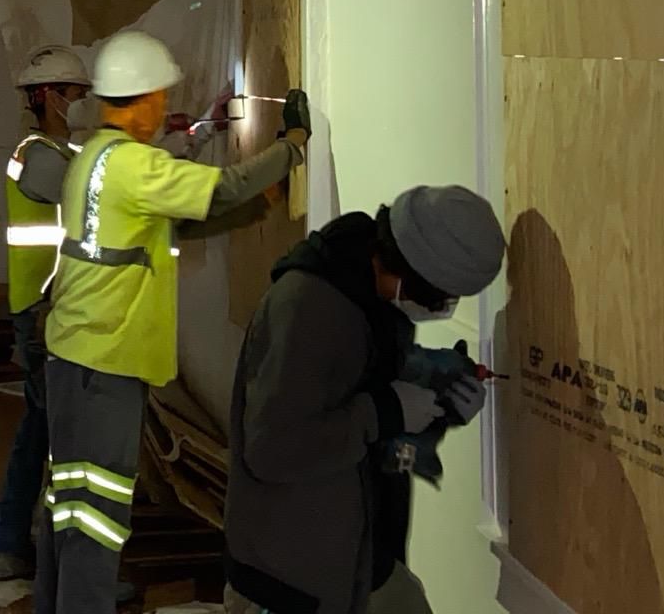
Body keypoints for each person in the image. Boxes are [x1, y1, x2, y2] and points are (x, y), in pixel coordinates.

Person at [35, 30, 311, 614]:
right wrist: (292, 144)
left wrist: (258, 208)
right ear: (138, 99)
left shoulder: (97, 158)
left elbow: (172, 228)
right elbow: (225, 185)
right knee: (97, 516)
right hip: (101, 364)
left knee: (72, 509)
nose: (164, 107)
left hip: (79, 360)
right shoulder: (131, 165)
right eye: (159, 96)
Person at [223, 185, 507, 614]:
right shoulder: (306, 309)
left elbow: (371, 418)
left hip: (360, 553)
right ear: (405, 269)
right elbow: (273, 449)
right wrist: (385, 412)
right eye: (437, 299)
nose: (441, 310)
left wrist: (439, 412)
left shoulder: (376, 303)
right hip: (292, 576)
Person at [0, 45, 92, 582]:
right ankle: (57, 564)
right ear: (47, 96)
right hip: (44, 314)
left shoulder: (59, 152)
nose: (83, 103)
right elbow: (96, 198)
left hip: (47, 309)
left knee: (40, 429)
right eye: (76, 94)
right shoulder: (40, 155)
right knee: (58, 434)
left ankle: (11, 545)